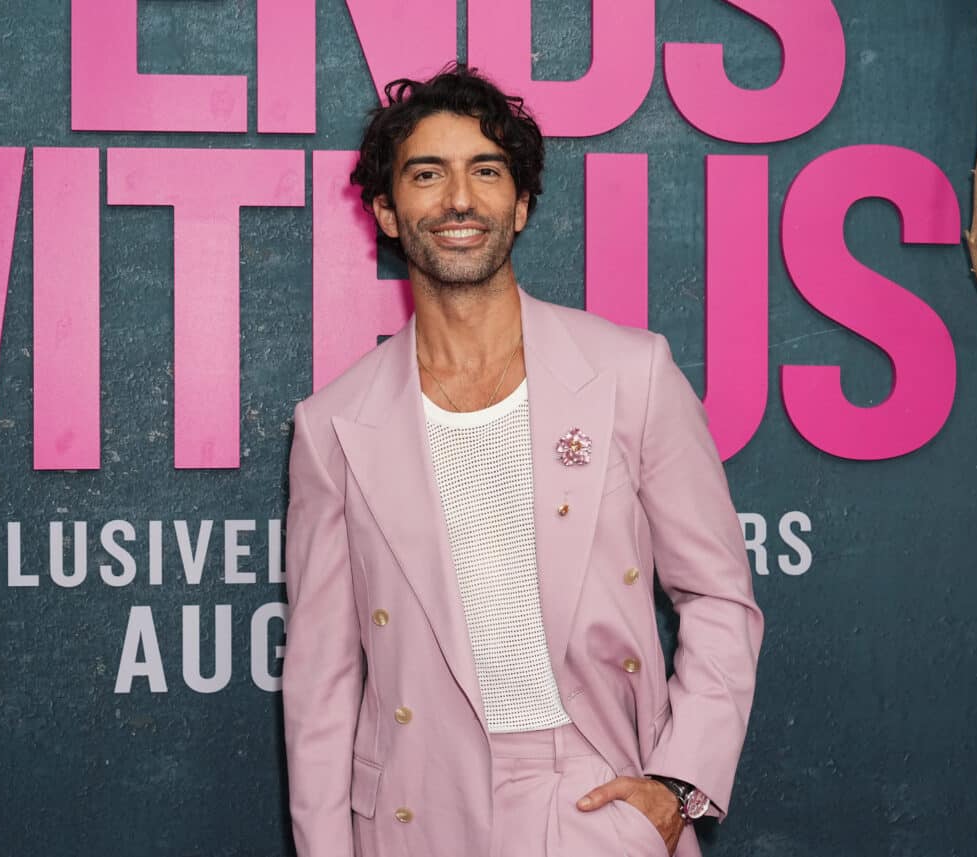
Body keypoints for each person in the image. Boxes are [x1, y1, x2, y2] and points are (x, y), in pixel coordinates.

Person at [281, 64, 763, 857]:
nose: (459, 199)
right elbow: (321, 685)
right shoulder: (334, 425)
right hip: (415, 810)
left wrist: (676, 787)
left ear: (523, 202)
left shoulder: (631, 374)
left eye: (487, 171)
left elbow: (719, 595)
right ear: (387, 212)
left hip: (592, 793)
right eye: (426, 174)